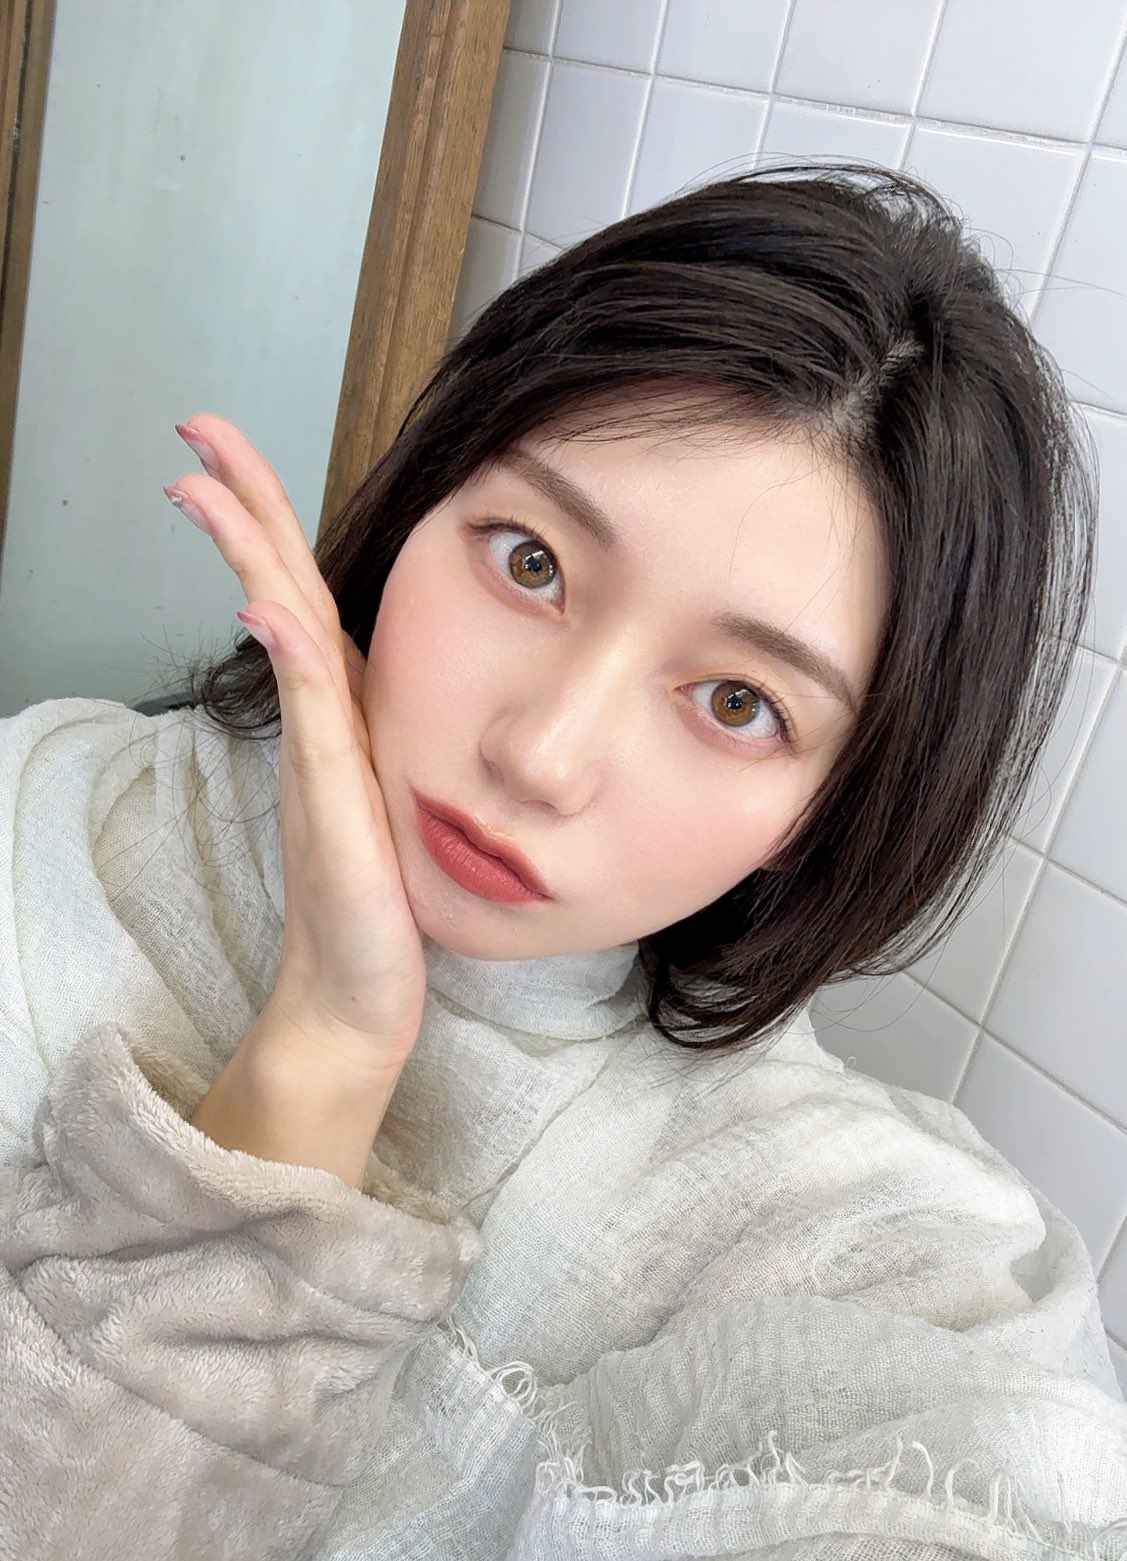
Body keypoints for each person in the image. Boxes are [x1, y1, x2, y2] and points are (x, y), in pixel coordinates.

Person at [0, 161, 1124, 1559]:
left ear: (842, 804)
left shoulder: (848, 1237)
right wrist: (323, 1040)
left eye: (737, 702)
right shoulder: (56, 815)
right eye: (530, 561)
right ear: (424, 502)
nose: (542, 753)